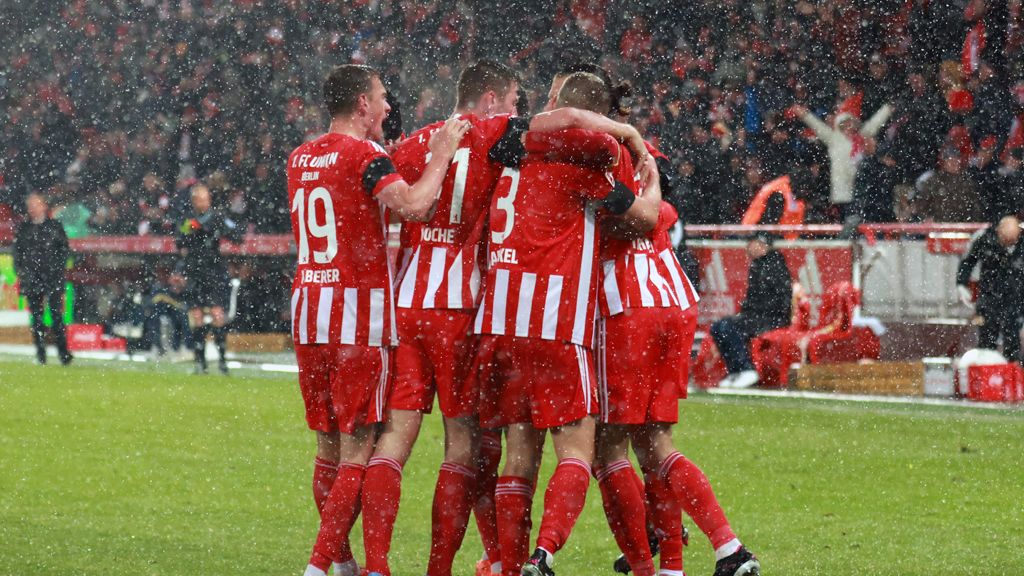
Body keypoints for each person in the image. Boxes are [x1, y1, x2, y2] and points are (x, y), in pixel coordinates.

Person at [369, 59, 654, 576]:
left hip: (416, 305)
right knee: (473, 448)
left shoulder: (417, 145)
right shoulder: (509, 143)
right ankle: (506, 559)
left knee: (395, 442)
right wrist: (629, 136)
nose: (524, 112)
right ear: (492, 100)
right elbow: (643, 216)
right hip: (473, 310)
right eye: (517, 101)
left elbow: (386, 205)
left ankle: (371, 564)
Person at [474, 71, 659, 576]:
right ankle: (545, 553)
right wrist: (644, 166)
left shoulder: (507, 156)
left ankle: (507, 565)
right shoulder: (580, 168)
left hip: (499, 320)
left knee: (518, 453)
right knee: (578, 449)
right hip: (554, 321)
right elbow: (647, 218)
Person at [293, 64, 470, 576]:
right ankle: (319, 565)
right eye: (382, 97)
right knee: (357, 450)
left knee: (326, 448)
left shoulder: (299, 156)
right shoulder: (366, 156)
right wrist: (438, 158)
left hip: (309, 312)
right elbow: (414, 205)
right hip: (356, 318)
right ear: (362, 105)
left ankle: (344, 564)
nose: (388, 107)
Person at [710, 232, 792, 389]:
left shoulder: (774, 266)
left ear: (762, 246)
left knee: (727, 327)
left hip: (771, 318)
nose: (748, 247)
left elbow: (779, 301)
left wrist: (753, 314)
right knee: (718, 327)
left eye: (752, 243)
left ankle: (746, 369)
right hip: (756, 316)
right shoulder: (758, 265)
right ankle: (735, 371)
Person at [176, 182, 242, 374]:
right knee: (196, 316)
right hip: (195, 272)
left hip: (214, 272)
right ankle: (200, 362)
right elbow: (179, 241)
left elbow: (237, 236)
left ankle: (222, 361)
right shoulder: (188, 219)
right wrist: (191, 229)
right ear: (193, 201)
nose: (202, 202)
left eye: (205, 199)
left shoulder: (218, 217)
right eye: (199, 199)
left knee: (217, 314)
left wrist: (215, 230)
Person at [13, 193, 72, 365]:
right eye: (31, 205)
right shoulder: (24, 229)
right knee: (37, 318)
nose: (33, 208)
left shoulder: (54, 226)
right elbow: (18, 254)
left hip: (52, 278)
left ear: (44, 206)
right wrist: (23, 273)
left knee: (56, 316)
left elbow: (64, 250)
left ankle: (63, 353)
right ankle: (41, 354)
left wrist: (57, 270)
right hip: (32, 279)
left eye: (36, 204)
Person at [956, 214, 1024, 362]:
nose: (1009, 244)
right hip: (988, 298)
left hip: (1015, 301)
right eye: (1006, 240)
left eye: (1013, 241)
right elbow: (967, 261)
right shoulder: (984, 238)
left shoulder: (1021, 244)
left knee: (1013, 344)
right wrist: (961, 283)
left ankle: (1013, 377)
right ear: (999, 231)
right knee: (986, 342)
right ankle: (988, 376)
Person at [144, 268, 190, 358]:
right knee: (154, 318)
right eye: (174, 277)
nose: (176, 280)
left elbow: (184, 307)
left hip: (177, 317)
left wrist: (172, 302)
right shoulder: (161, 289)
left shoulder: (186, 292)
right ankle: (157, 347)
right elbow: (150, 303)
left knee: (182, 319)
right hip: (163, 315)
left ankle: (180, 347)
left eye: (179, 278)